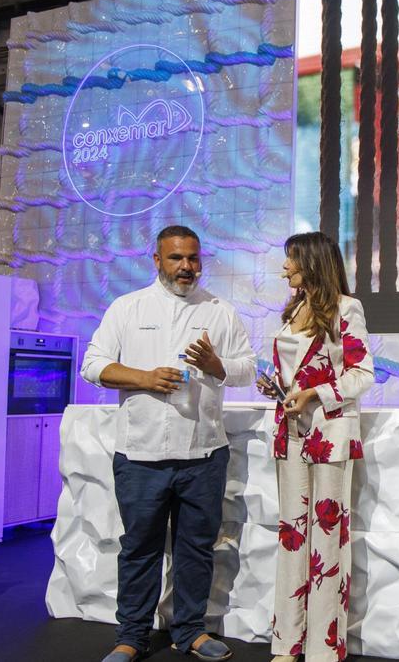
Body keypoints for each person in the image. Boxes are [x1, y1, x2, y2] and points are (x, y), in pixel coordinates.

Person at [82, 225, 257, 662]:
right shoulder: (128, 308)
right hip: (141, 454)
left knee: (197, 547)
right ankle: (131, 635)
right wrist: (144, 378)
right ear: (157, 260)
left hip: (203, 452)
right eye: (177, 258)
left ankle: (191, 630)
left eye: (194, 258)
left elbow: (247, 368)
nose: (187, 267)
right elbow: (92, 365)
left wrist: (218, 365)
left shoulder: (220, 311)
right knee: (139, 547)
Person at [256, 232, 374, 662]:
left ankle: (324, 649)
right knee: (292, 538)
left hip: (330, 436)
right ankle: (287, 642)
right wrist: (280, 388)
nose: (285, 268)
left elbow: (362, 375)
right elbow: (294, 371)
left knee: (326, 543)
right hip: (291, 435)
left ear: (310, 262)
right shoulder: (293, 310)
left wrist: (314, 395)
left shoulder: (347, 308)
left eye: (290, 260)